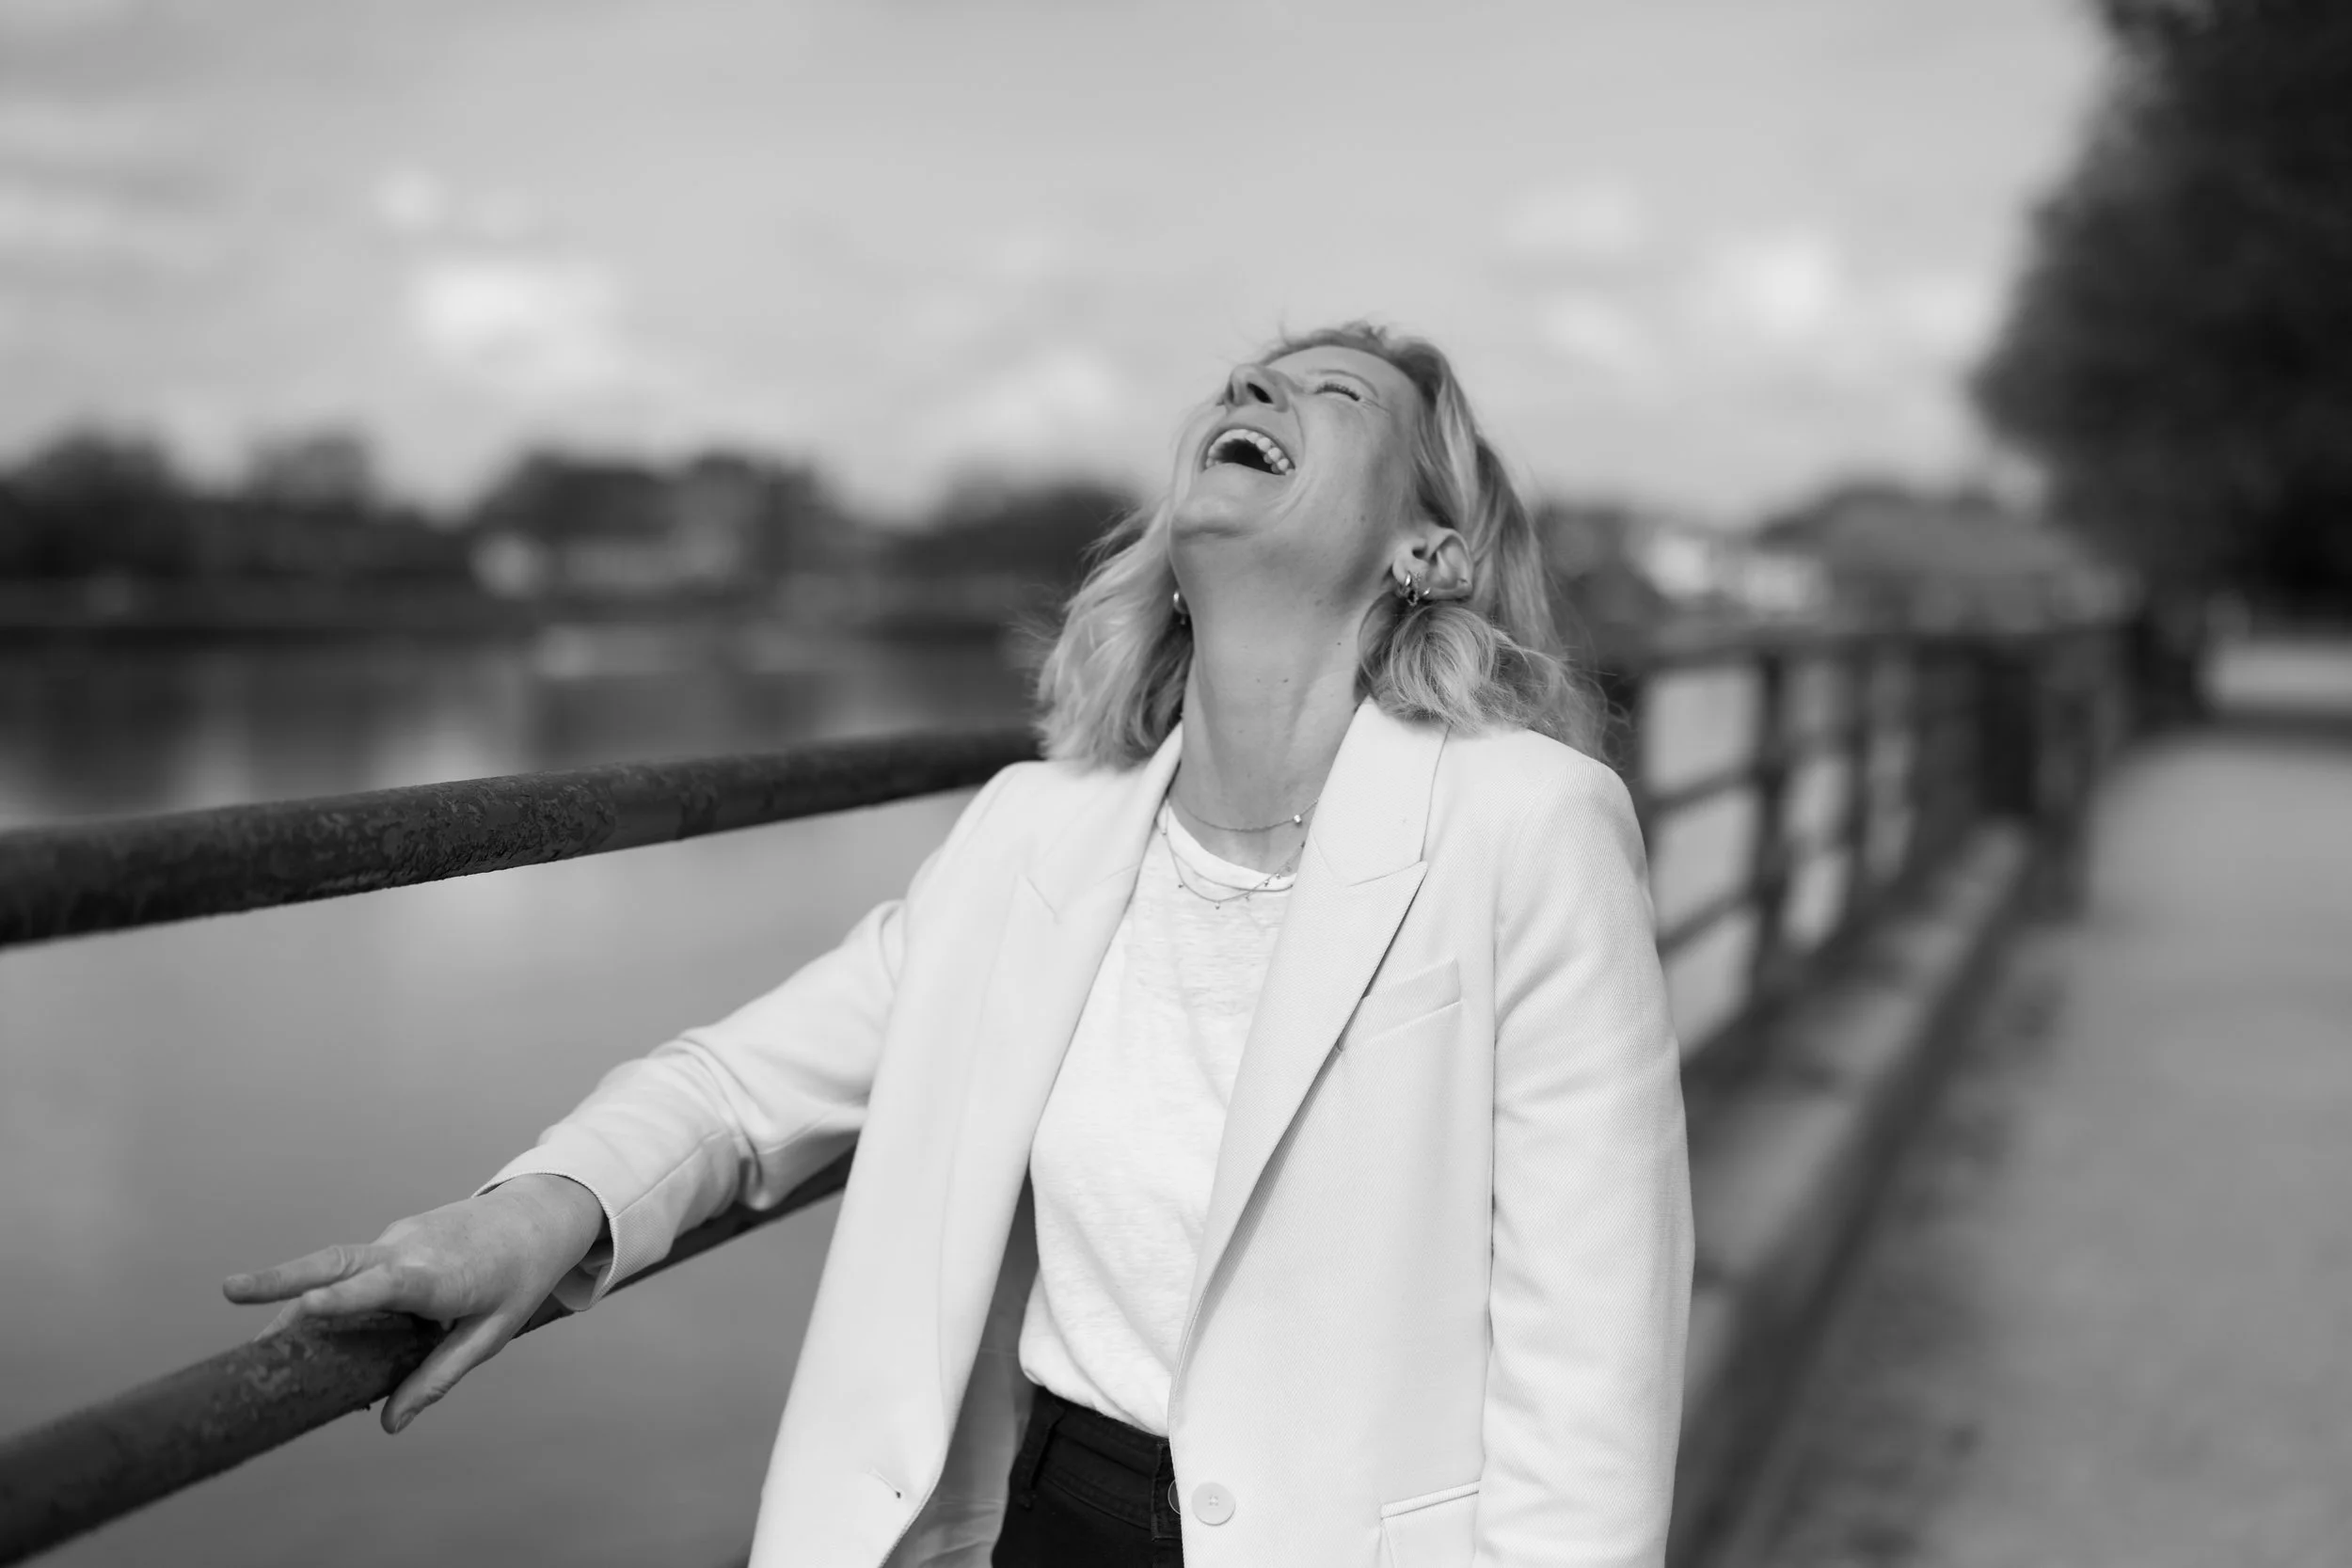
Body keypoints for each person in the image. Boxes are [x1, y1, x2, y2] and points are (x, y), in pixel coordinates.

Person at [225, 321, 1694, 1568]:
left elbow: (1593, 1370)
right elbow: (741, 1085)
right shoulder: (1032, 834)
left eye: (1333, 393)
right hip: (1050, 1520)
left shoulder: (1530, 824)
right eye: (1248, 379)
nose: (1254, 391)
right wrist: (538, 1213)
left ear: (1429, 548)